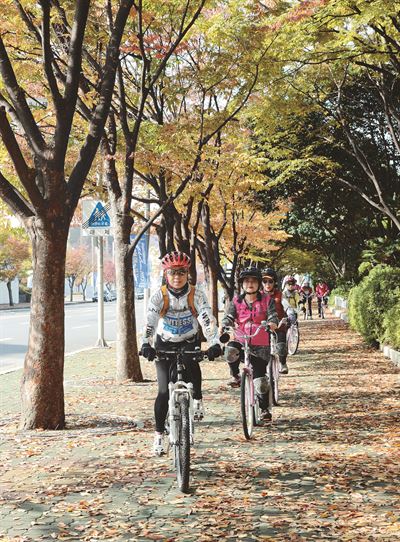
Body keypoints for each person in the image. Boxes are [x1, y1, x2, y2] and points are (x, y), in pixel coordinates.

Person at [140, 251, 221, 455]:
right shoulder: (159, 296)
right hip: (164, 342)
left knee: (193, 365)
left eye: (182, 272)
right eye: (173, 272)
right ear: (166, 274)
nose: (177, 277)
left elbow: (206, 319)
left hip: (189, 339)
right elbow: (150, 321)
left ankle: (198, 399)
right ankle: (158, 436)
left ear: (188, 274)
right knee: (163, 392)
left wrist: (214, 342)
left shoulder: (197, 294)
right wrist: (146, 343)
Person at [220, 267, 278, 421]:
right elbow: (229, 316)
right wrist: (225, 323)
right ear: (242, 284)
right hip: (241, 338)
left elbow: (273, 315)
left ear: (259, 284)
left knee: (260, 382)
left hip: (260, 344)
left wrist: (272, 323)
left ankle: (264, 408)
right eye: (246, 281)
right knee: (230, 351)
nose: (250, 283)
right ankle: (235, 376)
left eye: (253, 281)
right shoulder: (236, 301)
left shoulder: (267, 300)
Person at [261, 268, 289, 374]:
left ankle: (282, 363)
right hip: (263, 328)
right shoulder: (257, 296)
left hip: (279, 326)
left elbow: (287, 306)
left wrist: (290, 314)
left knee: (281, 346)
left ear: (275, 282)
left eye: (270, 281)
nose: (267, 284)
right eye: (264, 281)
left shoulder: (281, 295)